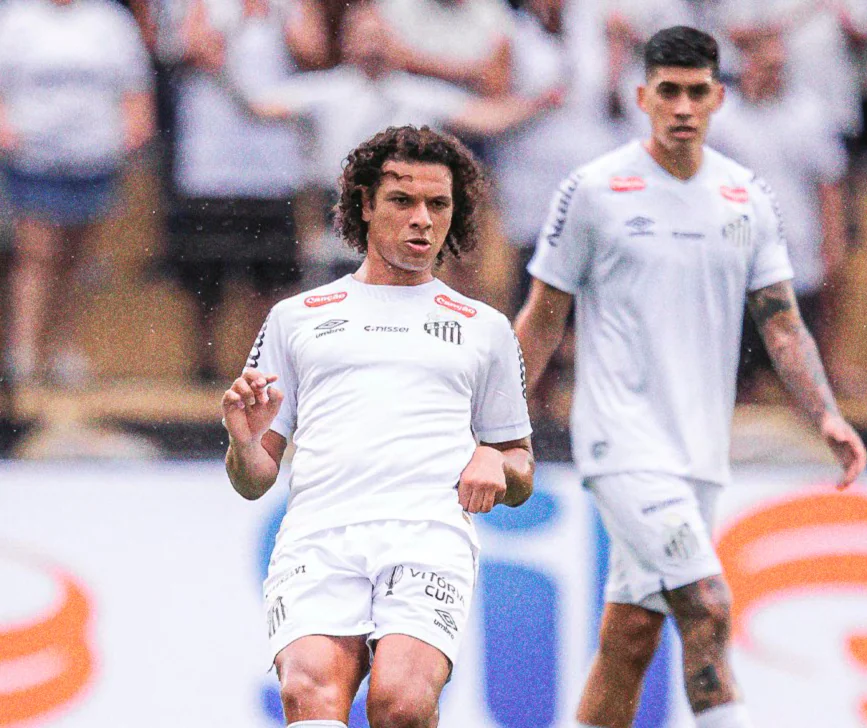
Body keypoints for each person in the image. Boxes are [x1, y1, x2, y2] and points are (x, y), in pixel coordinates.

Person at [513, 26, 867, 728]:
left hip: (698, 448)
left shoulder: (745, 196)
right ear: (642, 96)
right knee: (706, 606)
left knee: (630, 638)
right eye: (667, 91)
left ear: (717, 98)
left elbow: (780, 321)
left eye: (696, 91)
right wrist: (497, 429)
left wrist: (825, 411)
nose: (681, 106)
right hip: (619, 441)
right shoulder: (593, 190)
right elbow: (542, 318)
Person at [222, 125, 534, 728]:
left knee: (402, 705)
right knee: (308, 696)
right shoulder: (295, 318)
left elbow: (519, 464)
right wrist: (243, 440)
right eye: (402, 200)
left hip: (427, 535)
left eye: (438, 204)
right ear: (365, 204)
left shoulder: (484, 327)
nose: (422, 219)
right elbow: (254, 480)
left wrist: (495, 459)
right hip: (319, 536)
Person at [0, 0, 154, 385]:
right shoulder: (16, 19)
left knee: (78, 259)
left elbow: (136, 86)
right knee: (35, 256)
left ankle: (64, 350)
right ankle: (23, 352)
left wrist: (133, 131)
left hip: (95, 155)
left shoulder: (110, 21)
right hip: (33, 155)